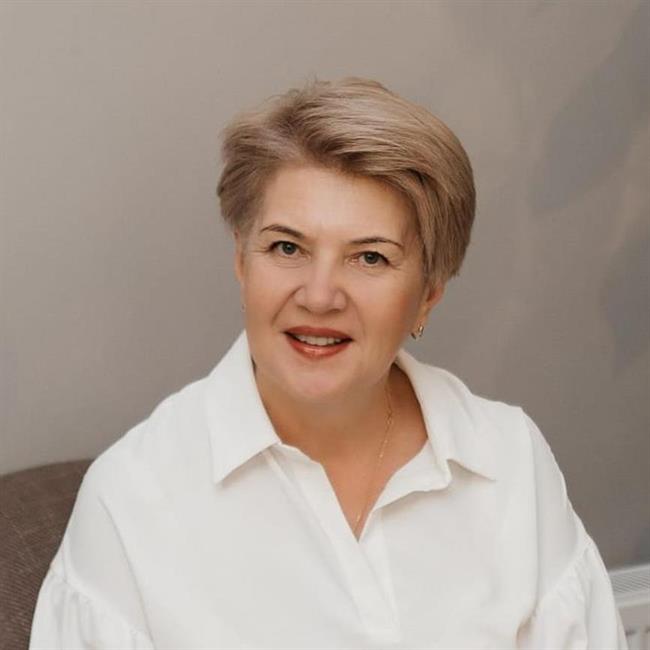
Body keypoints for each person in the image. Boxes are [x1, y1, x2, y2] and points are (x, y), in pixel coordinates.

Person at [29, 77, 627, 649]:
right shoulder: (130, 500)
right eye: (287, 247)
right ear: (242, 261)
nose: (319, 296)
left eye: (369, 258)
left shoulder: (509, 460)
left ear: (429, 292)